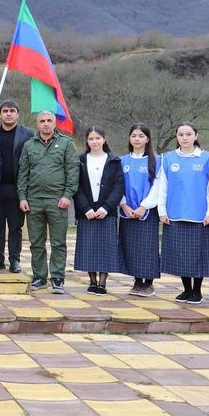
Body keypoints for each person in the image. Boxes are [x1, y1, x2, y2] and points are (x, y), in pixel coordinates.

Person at [18, 111, 79, 294]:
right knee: (36, 242)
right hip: (34, 200)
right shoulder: (29, 145)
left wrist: (67, 195)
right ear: (37, 124)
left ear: (55, 123)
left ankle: (58, 278)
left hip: (57, 200)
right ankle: (39, 277)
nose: (45, 124)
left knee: (58, 242)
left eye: (49, 121)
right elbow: (23, 173)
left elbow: (73, 171)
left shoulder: (66, 144)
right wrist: (22, 197)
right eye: (42, 121)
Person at [158, 122, 209, 303]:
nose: (185, 138)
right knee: (180, 255)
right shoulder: (168, 158)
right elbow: (163, 187)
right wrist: (162, 211)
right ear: (176, 137)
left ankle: (197, 290)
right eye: (181, 134)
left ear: (196, 136)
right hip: (174, 213)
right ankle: (186, 289)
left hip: (200, 216)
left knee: (198, 255)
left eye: (189, 134)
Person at [73, 126, 125, 295]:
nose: (94, 142)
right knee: (88, 246)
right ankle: (92, 281)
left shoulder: (114, 160)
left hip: (106, 211)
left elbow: (118, 187)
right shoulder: (80, 160)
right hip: (86, 212)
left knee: (106, 247)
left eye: (98, 138)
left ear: (104, 139)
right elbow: (77, 186)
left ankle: (102, 283)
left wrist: (106, 207)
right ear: (86, 141)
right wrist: (85, 207)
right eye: (91, 139)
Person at [0, 100, 34, 274]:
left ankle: (15, 260)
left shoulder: (28, 134)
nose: (8, 114)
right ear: (0, 114)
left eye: (12, 111)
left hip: (16, 188)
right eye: (5, 111)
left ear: (18, 114)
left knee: (15, 227)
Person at [119, 124, 162, 297]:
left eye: (141, 136)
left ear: (147, 139)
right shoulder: (122, 161)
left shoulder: (157, 160)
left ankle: (149, 283)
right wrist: (123, 205)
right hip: (127, 211)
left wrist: (144, 206)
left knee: (148, 247)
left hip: (148, 211)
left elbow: (158, 187)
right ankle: (137, 281)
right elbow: (118, 186)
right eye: (134, 135)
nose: (137, 139)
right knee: (131, 246)